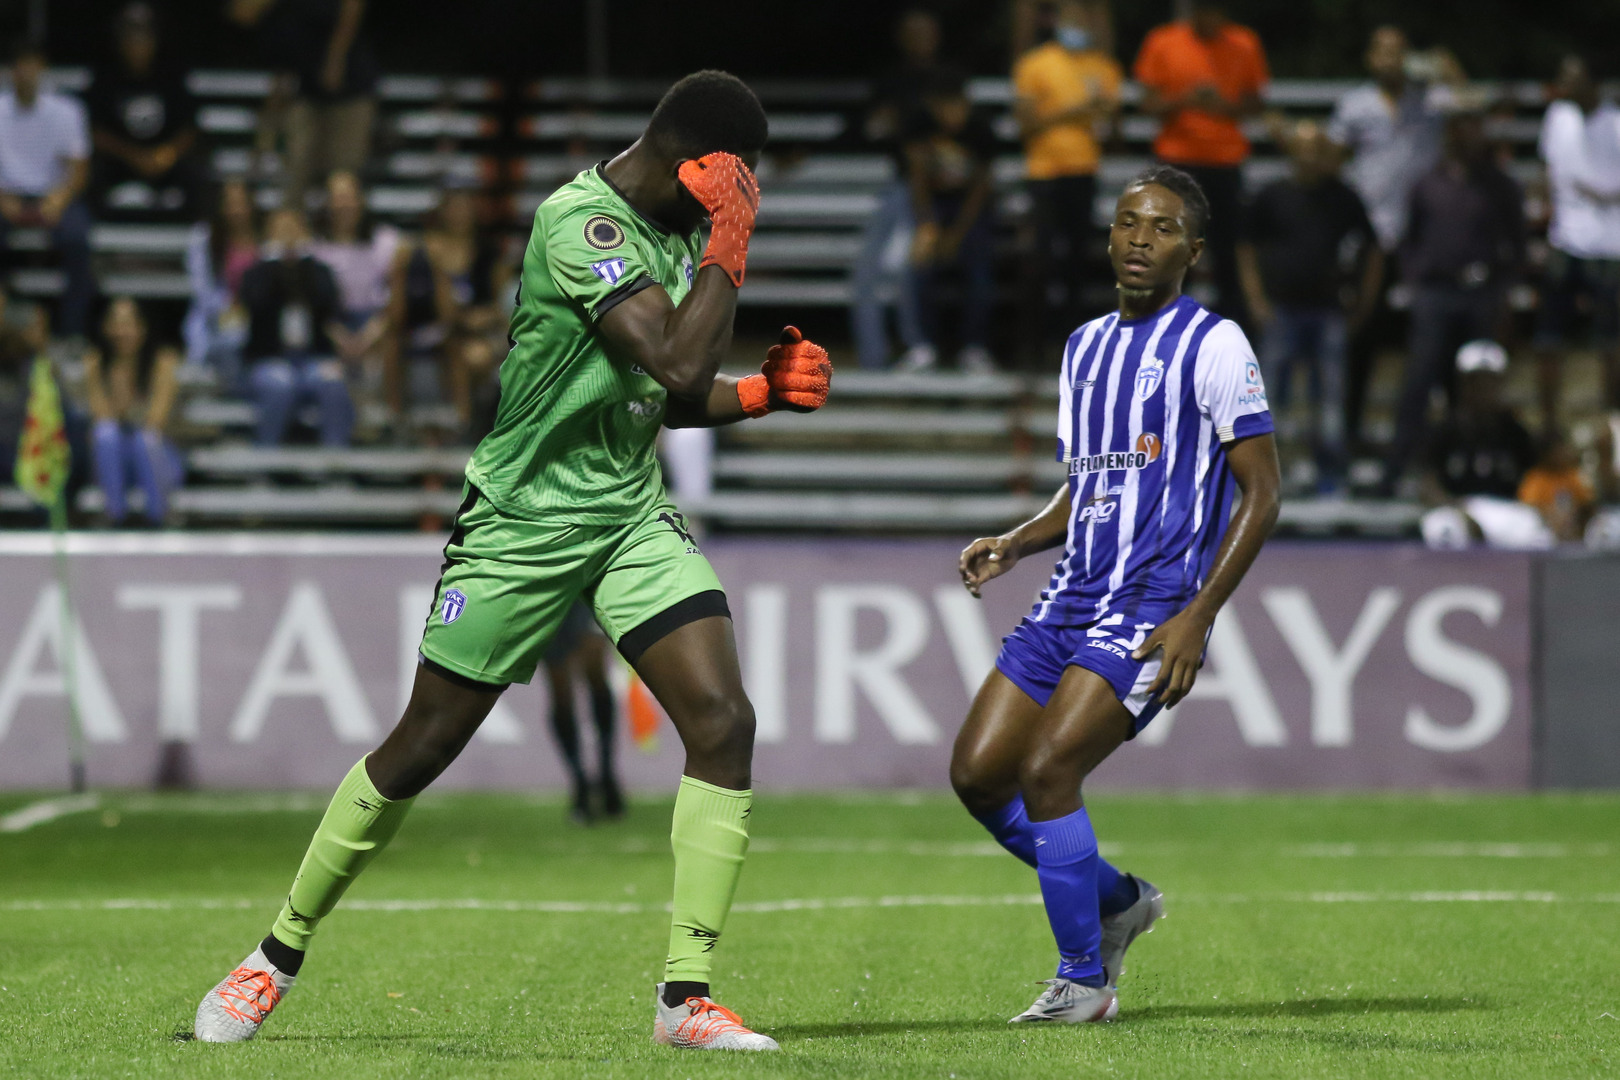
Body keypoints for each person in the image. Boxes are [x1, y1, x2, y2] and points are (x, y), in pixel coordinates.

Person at [192, 70, 832, 1052]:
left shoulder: (667, 238)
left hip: (625, 515)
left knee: (722, 719)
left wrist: (758, 395)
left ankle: (685, 1000)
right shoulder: (582, 223)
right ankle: (271, 958)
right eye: (738, 179)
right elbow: (671, 361)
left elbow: (661, 388)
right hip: (522, 525)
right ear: (703, 166)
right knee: (421, 747)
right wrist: (732, 246)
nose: (741, 198)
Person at [949, 165, 1279, 1023]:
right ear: (1108, 236)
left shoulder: (1215, 344)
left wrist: (1197, 615)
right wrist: (1017, 542)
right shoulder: (1084, 346)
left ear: (1192, 252)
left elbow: (1263, 492)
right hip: (1068, 594)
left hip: (1150, 601)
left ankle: (1083, 981)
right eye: (1129, 222)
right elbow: (1089, 481)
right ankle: (1121, 899)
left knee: (1050, 767)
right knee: (979, 775)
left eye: (1164, 228)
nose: (1141, 238)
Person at [1327, 26, 1463, 450]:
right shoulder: (1355, 105)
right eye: (1382, 52)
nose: (1390, 60)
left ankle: (1433, 438)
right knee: (1361, 338)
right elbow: (1332, 158)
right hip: (1371, 241)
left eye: (1398, 52)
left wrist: (1448, 67)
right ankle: (1350, 433)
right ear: (1370, 58)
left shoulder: (1432, 101)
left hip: (1422, 241)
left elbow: (1471, 107)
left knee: (1431, 343)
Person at [1382, 101, 1524, 493]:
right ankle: (1398, 467)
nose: (1467, 134)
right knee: (1420, 380)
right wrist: (1414, 281)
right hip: (1435, 294)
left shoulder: (1499, 185)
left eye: (1474, 126)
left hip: (1481, 295)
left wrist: (1503, 290)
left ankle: (1483, 471)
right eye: (1460, 126)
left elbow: (1518, 242)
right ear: (1448, 133)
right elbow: (1408, 240)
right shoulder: (1427, 183)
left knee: (1478, 385)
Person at [1236, 120, 1382, 493]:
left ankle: (1330, 479)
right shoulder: (1271, 195)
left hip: (1329, 311)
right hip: (1280, 311)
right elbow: (1246, 247)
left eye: (1318, 148)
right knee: (1270, 402)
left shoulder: (1343, 197)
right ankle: (1267, 482)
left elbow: (1373, 248)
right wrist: (1256, 299)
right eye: (1303, 147)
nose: (1311, 155)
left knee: (1330, 403)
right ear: (1291, 152)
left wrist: (1364, 303)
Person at [1132, 2, 1267, 324]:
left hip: (1224, 160)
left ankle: (1232, 331)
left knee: (1227, 252)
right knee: (1172, 248)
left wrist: (1223, 105)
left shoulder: (1243, 42)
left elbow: (1256, 101)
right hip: (1176, 160)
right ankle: (1164, 326)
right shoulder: (1163, 41)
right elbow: (1147, 103)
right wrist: (1185, 100)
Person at [1013, 0, 1122, 349]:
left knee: (1077, 261)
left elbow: (1114, 126)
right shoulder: (1034, 64)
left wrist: (1103, 116)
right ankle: (1033, 343)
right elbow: (1026, 123)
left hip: (1084, 172)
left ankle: (1074, 341)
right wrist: (1075, 111)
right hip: (1043, 173)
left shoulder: (1103, 68)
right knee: (1040, 260)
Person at [850, 8, 939, 371]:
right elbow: (862, 126)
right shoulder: (890, 81)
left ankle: (919, 346)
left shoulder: (945, 81)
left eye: (926, 32)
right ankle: (881, 357)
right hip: (903, 193)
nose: (920, 41)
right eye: (912, 33)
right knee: (874, 275)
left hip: (937, 199)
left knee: (906, 273)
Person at [1535, 55, 1620, 431]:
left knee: (1610, 344)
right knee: (1548, 338)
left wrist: (1600, 193)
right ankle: (1549, 426)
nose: (1563, 84)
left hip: (1609, 246)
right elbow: (1549, 171)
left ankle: (1612, 427)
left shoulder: (1616, 124)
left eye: (1571, 78)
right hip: (1565, 239)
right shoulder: (1557, 118)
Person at [228, 0, 378, 211]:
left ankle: (342, 237)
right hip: (304, 86)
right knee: (296, 161)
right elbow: (241, 14)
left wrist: (336, 58)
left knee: (343, 169)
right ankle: (291, 227)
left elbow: (351, 10)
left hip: (348, 87)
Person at [389, 185, 511, 436]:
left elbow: (502, 305)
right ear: (441, 212)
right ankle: (395, 423)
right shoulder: (421, 250)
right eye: (453, 208)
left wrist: (486, 316)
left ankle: (465, 424)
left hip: (475, 331)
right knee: (397, 344)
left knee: (473, 356)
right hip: (430, 325)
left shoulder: (489, 252)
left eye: (465, 208)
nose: (459, 214)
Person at [901, 69, 1000, 373]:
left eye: (956, 106)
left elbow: (981, 189)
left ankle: (975, 346)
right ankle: (922, 346)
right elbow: (917, 179)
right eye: (944, 107)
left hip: (970, 208)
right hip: (933, 205)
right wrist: (928, 224)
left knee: (980, 268)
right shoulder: (919, 125)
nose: (951, 115)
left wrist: (956, 235)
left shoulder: (980, 129)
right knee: (918, 266)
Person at [0, 41, 93, 339]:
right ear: (10, 72)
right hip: (6, 195)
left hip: (54, 195)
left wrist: (60, 198)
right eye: (20, 65)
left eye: (32, 64)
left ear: (42, 69)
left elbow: (79, 169)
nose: (26, 72)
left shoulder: (66, 110)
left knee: (78, 237)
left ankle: (72, 333)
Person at [239, 207, 352, 445]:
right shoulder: (256, 272)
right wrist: (275, 263)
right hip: (270, 359)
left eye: (293, 229)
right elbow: (255, 302)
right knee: (280, 383)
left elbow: (328, 303)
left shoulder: (319, 271)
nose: (288, 236)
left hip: (313, 358)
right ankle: (266, 455)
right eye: (281, 229)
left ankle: (336, 457)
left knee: (332, 381)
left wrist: (302, 263)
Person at [1418, 340, 1547, 549]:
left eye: (1490, 381)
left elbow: (1533, 478)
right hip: (1461, 507)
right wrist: (1453, 506)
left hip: (1508, 511)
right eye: (1475, 381)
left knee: (1539, 535)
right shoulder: (1445, 430)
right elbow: (1427, 483)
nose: (1483, 388)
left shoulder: (1515, 431)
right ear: (1463, 383)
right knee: (1442, 528)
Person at [87, 2, 202, 223]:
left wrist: (168, 153)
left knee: (194, 174)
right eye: (132, 40)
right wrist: (133, 156)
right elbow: (95, 130)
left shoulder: (171, 75)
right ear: (121, 43)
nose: (138, 47)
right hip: (121, 160)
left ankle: (187, 229)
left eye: (144, 40)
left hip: (163, 158)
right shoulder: (105, 77)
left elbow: (190, 126)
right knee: (94, 174)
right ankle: (103, 227)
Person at [83, 297, 182, 525]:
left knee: (145, 440)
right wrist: (114, 381)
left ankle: (158, 516)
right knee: (105, 434)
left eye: (128, 324)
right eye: (116, 323)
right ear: (106, 328)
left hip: (158, 458)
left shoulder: (163, 362)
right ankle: (113, 514)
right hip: (117, 461)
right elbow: (101, 417)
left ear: (142, 327)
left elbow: (156, 420)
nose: (122, 331)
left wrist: (126, 397)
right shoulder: (96, 363)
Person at [310, 169, 401, 407]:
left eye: (349, 197)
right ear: (327, 203)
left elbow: (397, 297)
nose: (344, 205)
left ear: (361, 200)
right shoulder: (314, 247)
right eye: (337, 198)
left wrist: (370, 335)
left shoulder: (386, 241)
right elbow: (311, 304)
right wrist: (337, 335)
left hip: (377, 324)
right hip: (330, 326)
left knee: (384, 354)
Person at [542, 602, 624, 823]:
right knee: (560, 691)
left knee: (595, 665)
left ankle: (607, 773)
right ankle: (579, 783)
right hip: (549, 594)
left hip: (583, 589)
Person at [183, 180, 261, 390]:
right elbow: (202, 289)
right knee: (232, 338)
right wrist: (230, 307)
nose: (236, 210)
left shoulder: (264, 238)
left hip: (259, 314)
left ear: (251, 205)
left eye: (241, 203)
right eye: (230, 203)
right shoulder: (204, 238)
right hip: (218, 314)